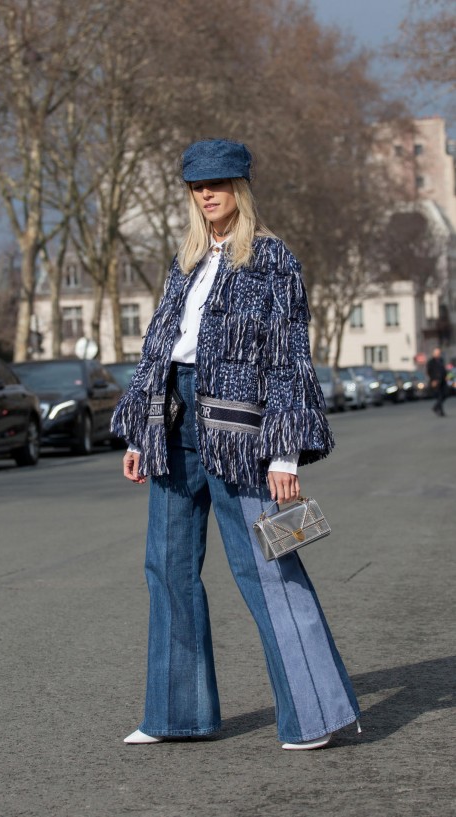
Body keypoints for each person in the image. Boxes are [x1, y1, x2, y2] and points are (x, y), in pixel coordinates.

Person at [112, 139, 360, 750]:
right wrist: (142, 432)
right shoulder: (186, 260)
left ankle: (315, 716)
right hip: (174, 427)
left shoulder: (273, 259)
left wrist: (284, 453)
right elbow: (157, 350)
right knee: (167, 569)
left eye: (218, 182)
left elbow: (288, 360)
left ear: (240, 187)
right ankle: (175, 714)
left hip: (241, 434)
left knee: (269, 565)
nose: (206, 193)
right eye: (197, 185)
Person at [426, 347, 447, 417]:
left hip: (443, 381)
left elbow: (444, 370)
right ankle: (439, 410)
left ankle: (436, 408)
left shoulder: (441, 360)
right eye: (436, 353)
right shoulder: (431, 362)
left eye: (439, 353)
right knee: (439, 396)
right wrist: (433, 380)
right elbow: (429, 372)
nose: (438, 354)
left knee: (444, 395)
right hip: (435, 381)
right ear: (433, 354)